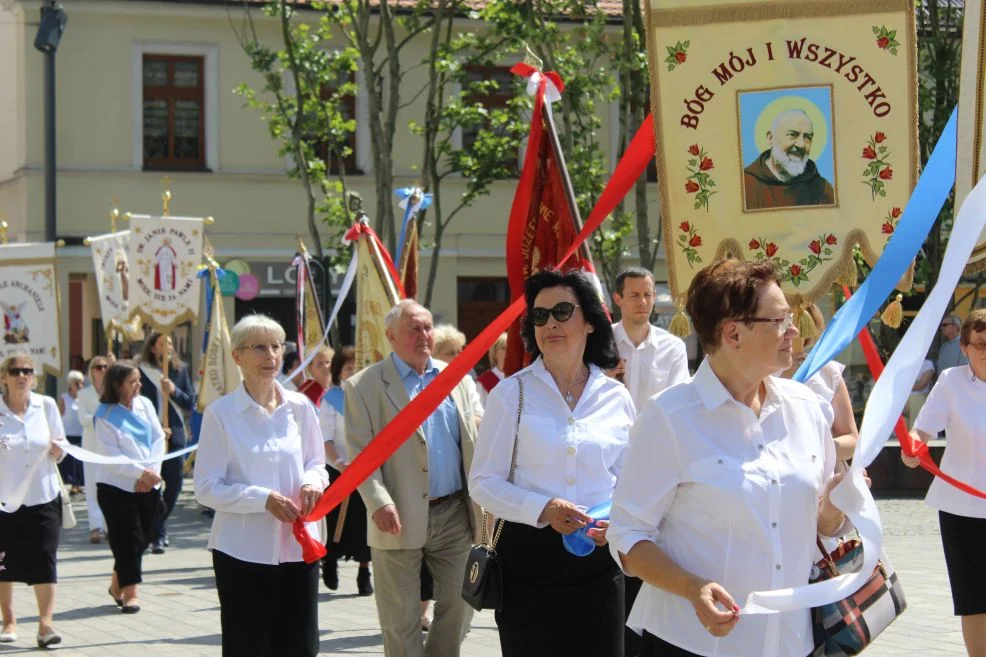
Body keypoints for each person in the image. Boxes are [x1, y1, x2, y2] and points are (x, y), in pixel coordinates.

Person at [608, 259, 848, 657]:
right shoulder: (669, 417)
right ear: (733, 333)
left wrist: (836, 507)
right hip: (692, 643)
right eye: (779, 320)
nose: (794, 331)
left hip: (793, 640)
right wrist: (691, 588)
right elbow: (627, 536)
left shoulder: (807, 408)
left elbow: (821, 527)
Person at [469, 268, 635, 657]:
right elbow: (482, 482)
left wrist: (619, 522)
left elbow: (630, 479)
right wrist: (543, 508)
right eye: (540, 316)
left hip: (600, 560)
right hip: (527, 563)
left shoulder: (617, 396)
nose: (551, 324)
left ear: (591, 322)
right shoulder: (511, 394)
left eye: (563, 311)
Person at [345, 299, 481, 657]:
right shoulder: (364, 386)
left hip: (454, 512)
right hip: (397, 513)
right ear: (390, 336)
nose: (423, 335)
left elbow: (476, 437)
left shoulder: (458, 379)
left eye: (427, 327)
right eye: (413, 329)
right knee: (400, 617)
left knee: (462, 602)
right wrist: (378, 502)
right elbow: (360, 456)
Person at [195, 315, 328, 657]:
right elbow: (206, 487)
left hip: (300, 547)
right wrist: (262, 499)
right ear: (237, 357)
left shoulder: (299, 407)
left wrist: (313, 482)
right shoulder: (221, 413)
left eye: (276, 346)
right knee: (249, 644)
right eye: (258, 348)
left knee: (300, 645)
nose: (270, 355)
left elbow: (317, 461)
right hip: (243, 551)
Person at [608, 266, 690, 656]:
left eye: (648, 294)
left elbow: (678, 402)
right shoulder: (601, 343)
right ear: (618, 299)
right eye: (635, 295)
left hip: (657, 459)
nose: (644, 302)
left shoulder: (671, 347)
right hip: (610, 462)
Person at [903, 309, 986, 657]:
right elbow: (922, 429)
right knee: (975, 599)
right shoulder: (951, 381)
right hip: (962, 509)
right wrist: (913, 447)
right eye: (981, 343)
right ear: (965, 347)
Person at [0, 353, 67, 648]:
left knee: (46, 558)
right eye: (15, 371)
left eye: (27, 370)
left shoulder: (47, 405)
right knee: (3, 563)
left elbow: (62, 445)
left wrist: (57, 450)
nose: (21, 376)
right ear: (3, 377)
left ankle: (45, 625)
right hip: (4, 501)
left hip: (43, 496)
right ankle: (9, 620)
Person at [94, 362, 166, 614]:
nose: (139, 385)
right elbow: (111, 455)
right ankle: (131, 593)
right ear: (117, 385)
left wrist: (152, 473)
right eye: (133, 381)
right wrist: (139, 473)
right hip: (116, 487)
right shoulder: (104, 415)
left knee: (142, 539)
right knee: (128, 540)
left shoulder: (145, 405)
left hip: (150, 483)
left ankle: (117, 583)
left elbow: (158, 438)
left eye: (139, 380)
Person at [319, 346, 373, 597]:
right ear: (339, 370)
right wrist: (341, 464)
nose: (353, 372)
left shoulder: (371, 398)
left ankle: (365, 571)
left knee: (365, 523)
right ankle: (329, 561)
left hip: (366, 470)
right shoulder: (331, 399)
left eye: (358, 367)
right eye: (349, 367)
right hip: (338, 470)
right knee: (333, 523)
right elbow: (325, 439)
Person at [137, 333, 194, 555]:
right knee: (153, 485)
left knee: (175, 485)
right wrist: (156, 428)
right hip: (150, 435)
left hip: (176, 435)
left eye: (170, 343)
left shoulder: (180, 370)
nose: (168, 347)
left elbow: (189, 401)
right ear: (153, 348)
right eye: (162, 343)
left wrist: (173, 391)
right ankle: (158, 534)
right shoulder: (142, 372)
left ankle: (155, 528)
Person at [784, 303, 858, 461]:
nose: (792, 329)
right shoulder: (757, 371)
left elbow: (851, 438)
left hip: (824, 476)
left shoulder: (827, 371)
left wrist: (814, 453)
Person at [744, 108, 835, 210]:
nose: (801, 144)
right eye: (792, 134)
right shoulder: (745, 184)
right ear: (771, 138)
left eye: (807, 137)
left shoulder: (823, 189)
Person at [77, 354, 113, 544]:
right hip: (91, 445)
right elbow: (83, 419)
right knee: (92, 487)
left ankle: (109, 526)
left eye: (105, 366)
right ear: (91, 371)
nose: (102, 370)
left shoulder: (114, 392)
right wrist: (102, 417)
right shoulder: (84, 394)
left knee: (109, 485)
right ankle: (95, 526)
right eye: (98, 367)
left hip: (109, 445)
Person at [57, 370, 85, 493]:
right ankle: (73, 484)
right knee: (70, 461)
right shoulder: (64, 398)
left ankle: (79, 483)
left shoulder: (83, 398)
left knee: (80, 461)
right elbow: (60, 414)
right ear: (71, 384)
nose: (79, 386)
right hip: (68, 433)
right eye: (77, 383)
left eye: (81, 383)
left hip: (81, 433)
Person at [477, 333, 508, 407]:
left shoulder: (521, 376)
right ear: (495, 353)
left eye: (511, 347)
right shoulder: (485, 380)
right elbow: (480, 410)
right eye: (504, 348)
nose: (508, 351)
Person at [905, 356, 936, 425]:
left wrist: (905, 386)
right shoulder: (905, 365)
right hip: (905, 399)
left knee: (916, 399)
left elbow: (922, 385)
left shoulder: (927, 364)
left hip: (919, 397)